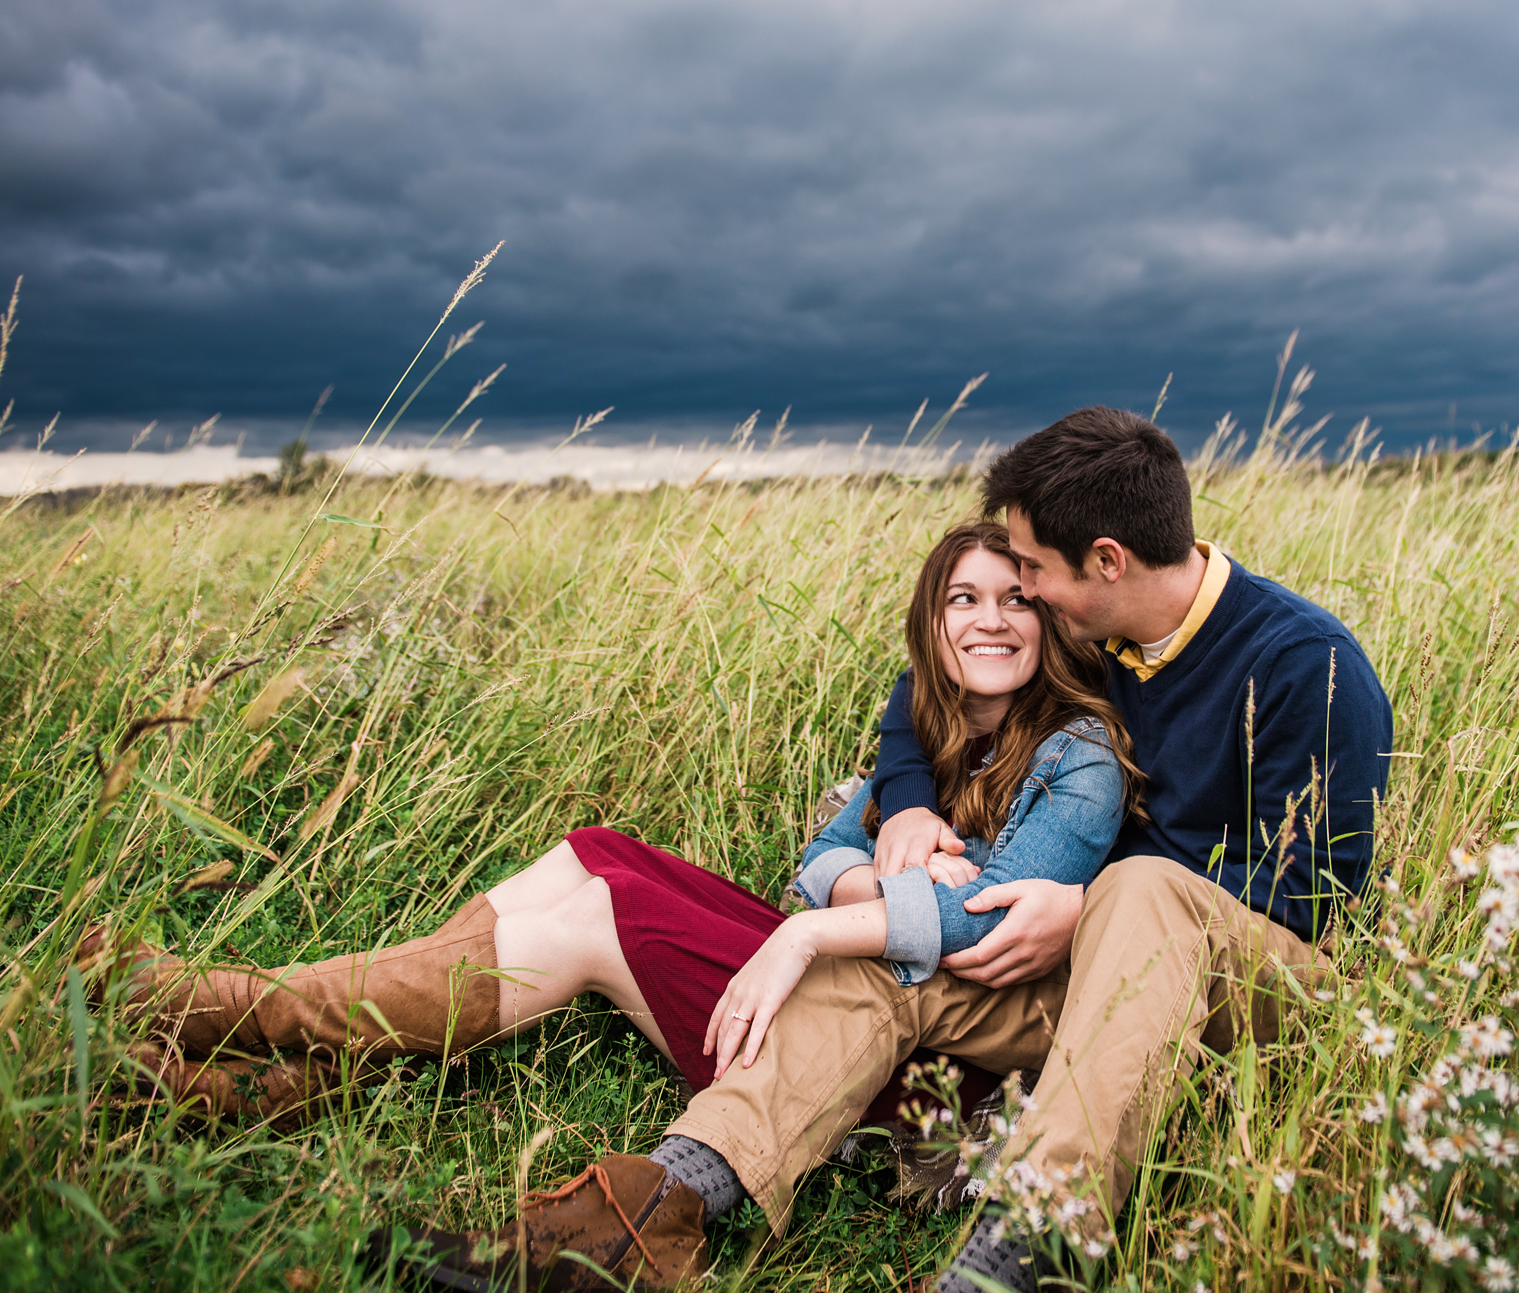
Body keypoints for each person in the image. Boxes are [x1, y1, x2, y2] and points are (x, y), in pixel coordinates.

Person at [388, 407, 1393, 1292]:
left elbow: (1319, 901)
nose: (1020, 597)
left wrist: (1083, 907)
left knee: (1142, 884)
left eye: (1031, 571)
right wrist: (905, 804)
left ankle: (1030, 1247)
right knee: (882, 956)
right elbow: (930, 689)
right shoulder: (1102, 629)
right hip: (1083, 972)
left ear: (1105, 561)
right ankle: (649, 1215)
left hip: (1251, 990)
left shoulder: (1304, 664)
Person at [78, 522, 1142, 1271]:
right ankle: (268, 1077)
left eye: (1014, 598)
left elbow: (980, 928)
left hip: (898, 1057)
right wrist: (879, 861)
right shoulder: (934, 726)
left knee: (595, 916)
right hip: (844, 970)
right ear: (932, 616)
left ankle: (234, 1007)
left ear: (1053, 619)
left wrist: (817, 925)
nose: (989, 619)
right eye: (963, 597)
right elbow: (814, 857)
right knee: (594, 850)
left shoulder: (1078, 751)